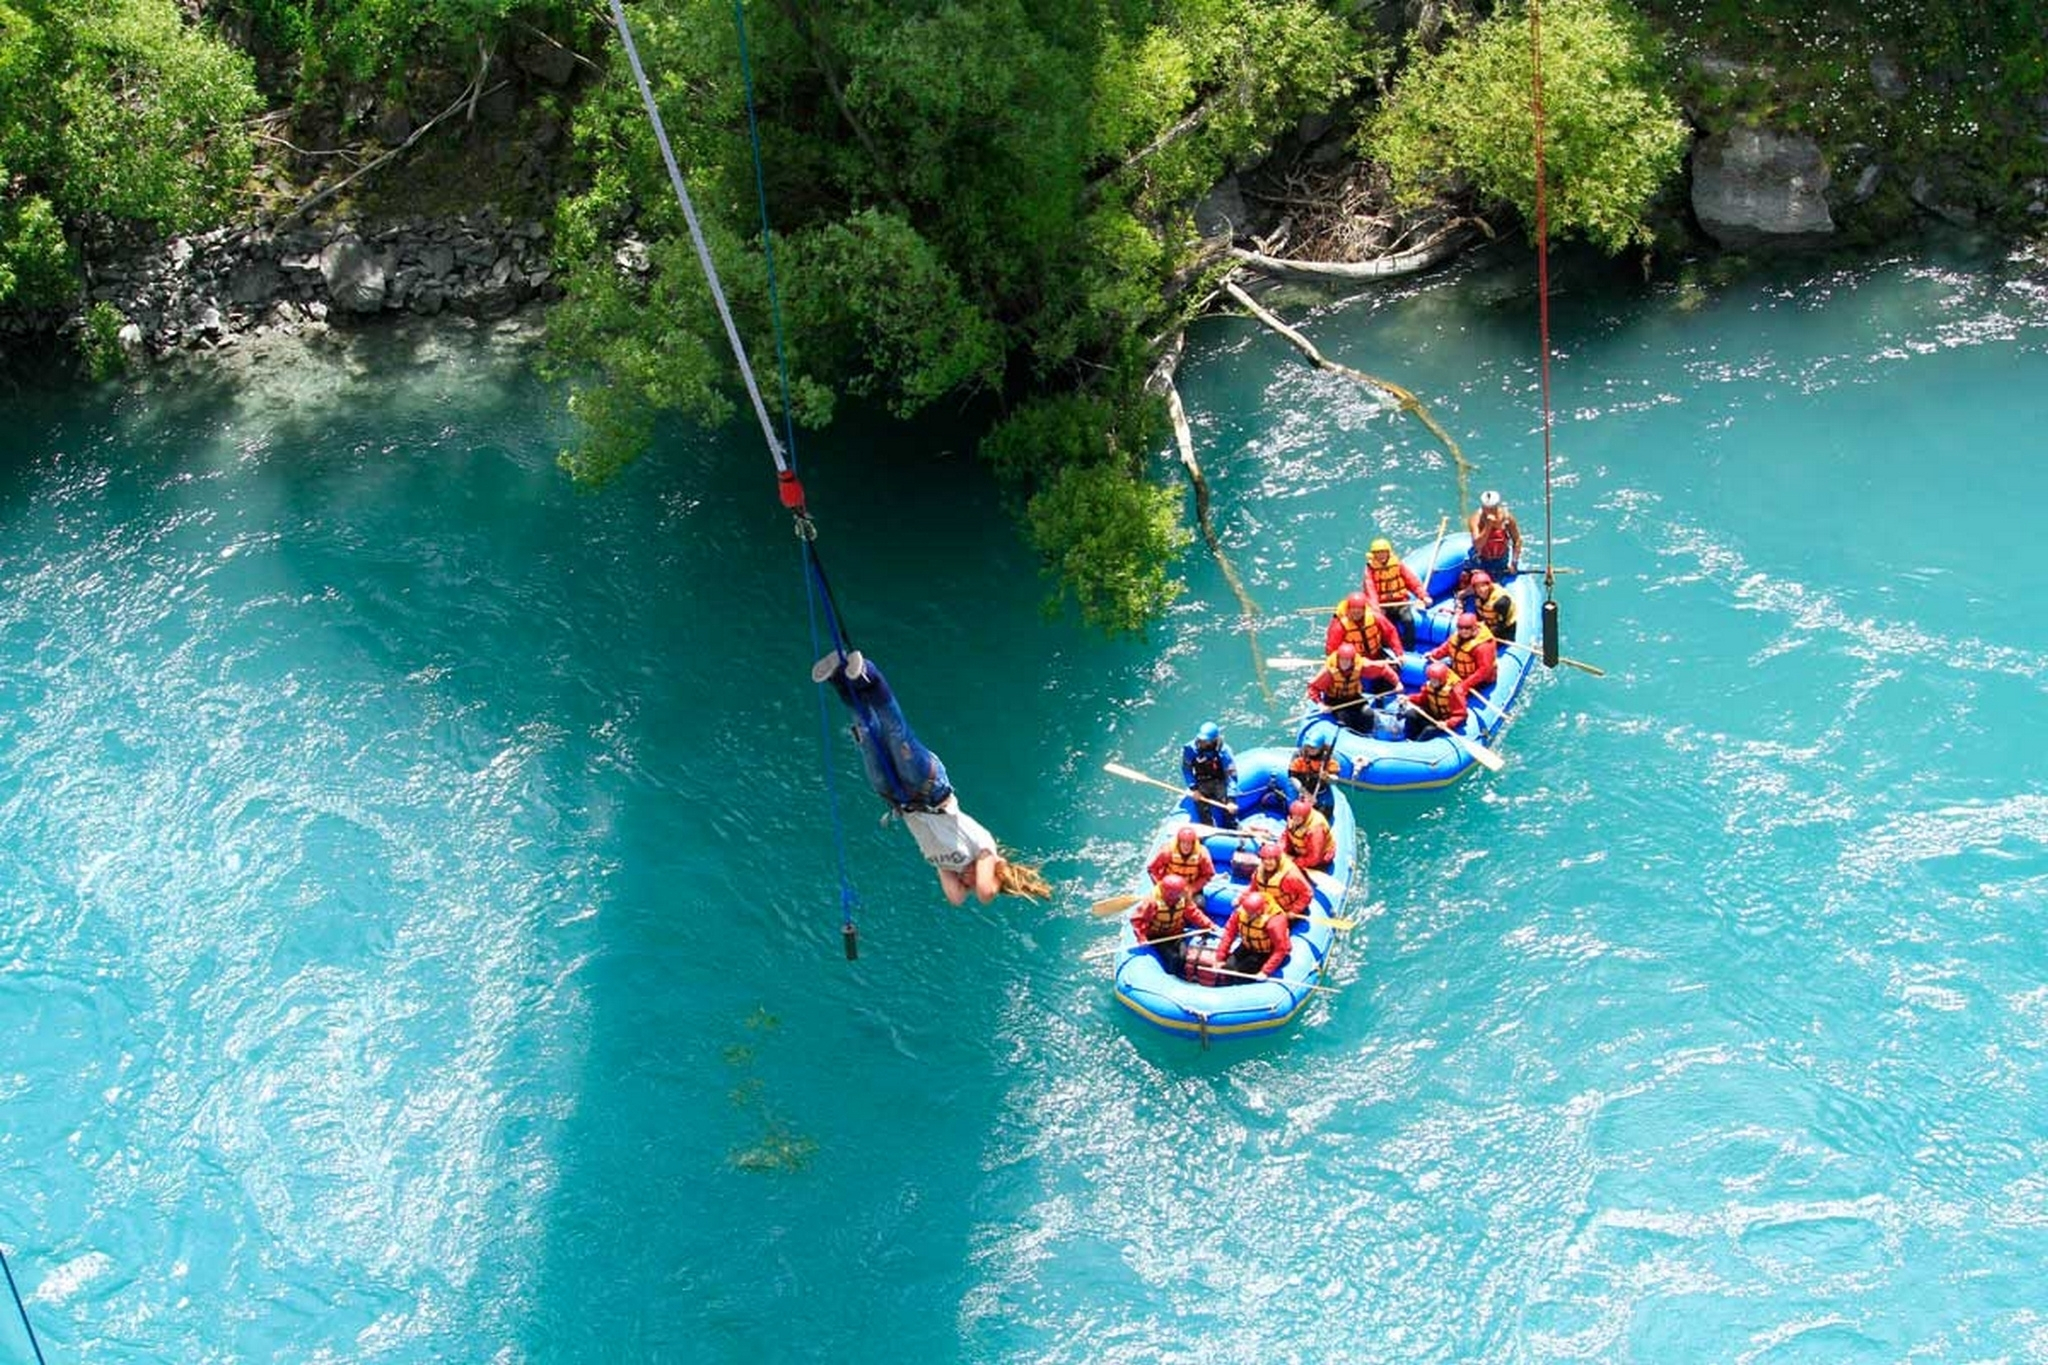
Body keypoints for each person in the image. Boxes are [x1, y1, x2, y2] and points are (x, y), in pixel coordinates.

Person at [814, 648, 1048, 906]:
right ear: (991, 870)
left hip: (897, 798)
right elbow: (985, 892)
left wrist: (964, 876)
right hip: (929, 789)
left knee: (866, 735)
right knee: (895, 732)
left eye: (968, 882)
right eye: (975, 879)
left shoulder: (950, 867)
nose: (968, 883)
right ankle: (867, 673)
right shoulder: (983, 847)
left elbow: (956, 898)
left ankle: (840, 680)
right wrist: (994, 864)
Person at [1130, 873, 1215, 978]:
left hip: (1176, 934)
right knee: (1173, 958)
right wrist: (1141, 937)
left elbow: (1193, 913)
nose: (1181, 895)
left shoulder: (1183, 898)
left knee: (1183, 956)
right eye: (1178, 894)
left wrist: (1208, 924)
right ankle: (1171, 976)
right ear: (1169, 893)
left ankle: (1181, 975)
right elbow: (1137, 920)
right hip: (1157, 936)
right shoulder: (1152, 902)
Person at [1307, 644, 1397, 734]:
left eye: (1348, 660)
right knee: (1344, 718)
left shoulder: (1361, 665)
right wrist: (1321, 705)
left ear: (1353, 660)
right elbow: (1313, 688)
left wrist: (1397, 683)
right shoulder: (1329, 671)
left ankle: (1367, 734)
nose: (1345, 663)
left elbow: (1382, 669)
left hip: (1354, 697)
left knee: (1368, 713)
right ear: (1338, 658)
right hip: (1334, 700)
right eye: (1342, 660)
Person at [1362, 537, 1431, 647]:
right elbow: (1370, 589)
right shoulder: (1370, 569)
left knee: (1408, 621)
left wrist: (1423, 596)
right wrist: (1376, 608)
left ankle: (1409, 646)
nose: (1381, 556)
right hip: (1382, 605)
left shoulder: (1397, 565)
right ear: (1373, 555)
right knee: (1385, 626)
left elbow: (1411, 580)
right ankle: (1387, 647)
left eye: (1383, 552)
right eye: (1378, 553)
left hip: (1400, 602)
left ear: (1388, 552)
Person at [1214, 888, 1292, 981]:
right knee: (1227, 968)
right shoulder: (1241, 912)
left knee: (1241, 973)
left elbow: (1280, 949)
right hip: (1247, 946)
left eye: (1250, 914)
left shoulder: (1274, 922)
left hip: (1266, 952)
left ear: (1259, 911)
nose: (1247, 915)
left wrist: (1265, 971)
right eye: (1246, 912)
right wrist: (1220, 957)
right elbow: (1229, 934)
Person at [1181, 721, 1239, 829]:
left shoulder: (1224, 752)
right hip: (1202, 782)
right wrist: (1194, 789)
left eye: (1205, 741)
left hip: (1220, 782)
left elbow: (1231, 777)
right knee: (1200, 806)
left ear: (1213, 740)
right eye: (1201, 740)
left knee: (1228, 809)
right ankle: (1208, 827)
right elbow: (1186, 769)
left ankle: (1232, 826)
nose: (1201, 743)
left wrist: (1231, 800)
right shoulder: (1190, 749)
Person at [1323, 590, 1402, 664]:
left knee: (1395, 668)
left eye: (1359, 612)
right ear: (1348, 609)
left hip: (1376, 654)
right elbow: (1331, 649)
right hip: (1354, 660)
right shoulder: (1340, 625)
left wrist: (1399, 653)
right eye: (1353, 611)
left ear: (1364, 610)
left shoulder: (1375, 617)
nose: (1356, 615)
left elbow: (1390, 633)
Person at [1429, 611, 1499, 691]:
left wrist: (1465, 685)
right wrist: (1433, 654)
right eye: (1460, 628)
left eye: (1467, 628)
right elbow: (1446, 648)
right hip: (1459, 672)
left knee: (1454, 694)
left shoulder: (1483, 646)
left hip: (1480, 680)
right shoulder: (1457, 636)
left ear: (1474, 628)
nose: (1463, 631)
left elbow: (1484, 671)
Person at [1248, 841, 1314, 921]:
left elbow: (1307, 893)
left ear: (1277, 859)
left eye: (1270, 859)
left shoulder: (1290, 876)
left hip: (1285, 910)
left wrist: (1294, 910)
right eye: (1264, 859)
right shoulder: (1260, 871)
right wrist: (1242, 899)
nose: (1267, 862)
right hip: (1269, 908)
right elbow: (1253, 889)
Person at [1403, 661, 1469, 741]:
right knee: (1410, 714)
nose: (1432, 682)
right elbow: (1422, 699)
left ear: (1442, 679)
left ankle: (1416, 745)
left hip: (1445, 721)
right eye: (1430, 679)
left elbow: (1461, 714)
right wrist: (1409, 698)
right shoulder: (1429, 685)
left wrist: (1447, 723)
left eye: (1435, 680)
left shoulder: (1454, 691)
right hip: (1433, 715)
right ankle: (1407, 739)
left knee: (1429, 730)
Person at [1468, 489, 1522, 578]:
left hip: (1501, 559)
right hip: (1481, 558)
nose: (1489, 511)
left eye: (1492, 508)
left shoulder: (1507, 518)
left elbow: (1517, 540)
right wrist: (1488, 526)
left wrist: (1514, 562)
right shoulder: (1476, 519)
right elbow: (1477, 545)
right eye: (1486, 508)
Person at [1146, 824, 1216, 889]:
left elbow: (1208, 874)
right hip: (1169, 887)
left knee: (1200, 901)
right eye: (1183, 842)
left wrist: (1193, 888)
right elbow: (1152, 869)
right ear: (1179, 843)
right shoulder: (1167, 852)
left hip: (1190, 887)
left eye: (1189, 843)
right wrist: (1161, 885)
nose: (1186, 846)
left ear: (1194, 843)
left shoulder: (1201, 855)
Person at [1287, 734, 1340, 818]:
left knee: (1326, 812)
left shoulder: (1329, 758)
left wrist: (1327, 777)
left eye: (1313, 748)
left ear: (1321, 747)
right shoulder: (1299, 755)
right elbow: (1292, 776)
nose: (1309, 750)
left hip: (1321, 790)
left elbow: (1335, 780)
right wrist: (1305, 794)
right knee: (1295, 812)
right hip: (1302, 788)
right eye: (1308, 746)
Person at [1459, 569, 1519, 644]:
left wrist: (1485, 634)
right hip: (1489, 622)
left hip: (1505, 629)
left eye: (1484, 586)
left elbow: (1501, 625)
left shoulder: (1501, 602)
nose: (1481, 590)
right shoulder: (1478, 597)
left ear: (1489, 586)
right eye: (1478, 587)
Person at [1281, 799, 1334, 873]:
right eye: (1294, 815)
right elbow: (1286, 835)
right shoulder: (1293, 818)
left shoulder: (1316, 829)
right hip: (1300, 849)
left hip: (1318, 858)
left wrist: (1295, 862)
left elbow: (1314, 857)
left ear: (1305, 816)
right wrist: (1280, 850)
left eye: (1298, 817)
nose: (1294, 819)